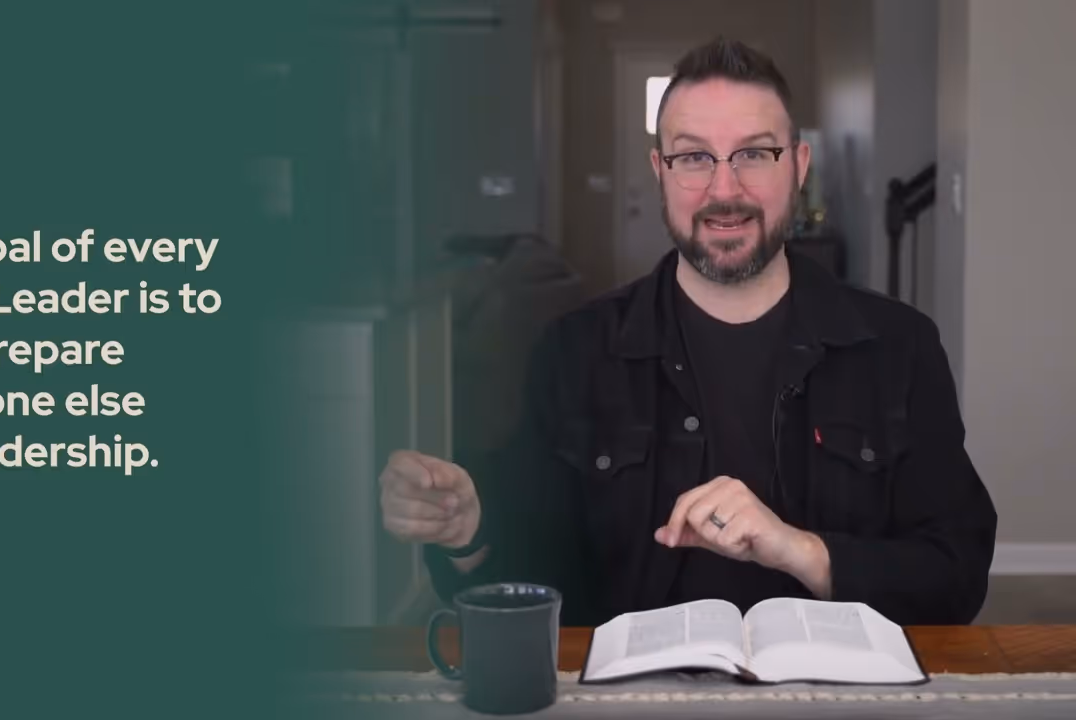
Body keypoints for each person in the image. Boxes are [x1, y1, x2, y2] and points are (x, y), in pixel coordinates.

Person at [377, 37, 997, 627]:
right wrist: (468, 534)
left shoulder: (899, 347)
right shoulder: (573, 352)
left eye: (754, 153)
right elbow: (531, 576)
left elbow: (956, 573)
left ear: (799, 165)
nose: (724, 190)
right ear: (660, 170)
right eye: (694, 156)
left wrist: (800, 550)